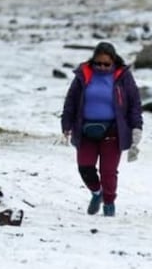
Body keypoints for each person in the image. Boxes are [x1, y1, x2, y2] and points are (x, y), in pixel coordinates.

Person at [61, 42, 143, 217]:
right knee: (85, 166)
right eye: (98, 63)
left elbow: (134, 103)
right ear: (93, 61)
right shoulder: (83, 75)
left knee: (108, 171)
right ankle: (96, 192)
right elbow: (71, 101)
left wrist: (137, 127)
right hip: (85, 130)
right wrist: (66, 125)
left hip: (113, 131)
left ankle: (109, 203)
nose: (102, 67)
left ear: (113, 62)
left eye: (106, 64)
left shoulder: (123, 77)